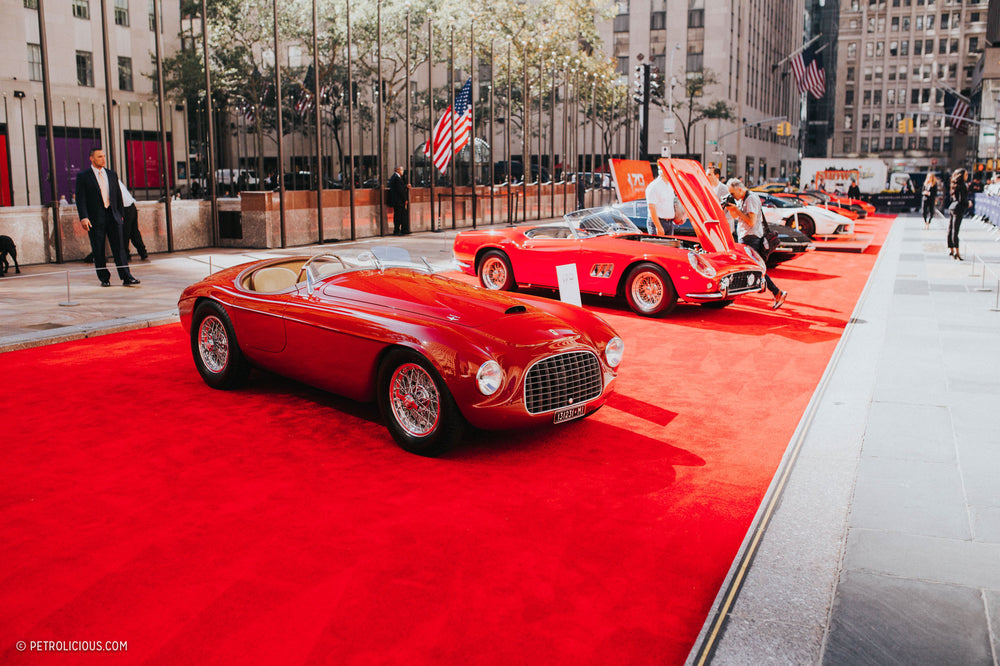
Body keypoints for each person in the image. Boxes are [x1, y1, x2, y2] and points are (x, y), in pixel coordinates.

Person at [75, 148, 140, 288]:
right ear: (91, 158)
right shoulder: (83, 176)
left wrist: (121, 215)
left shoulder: (111, 174)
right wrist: (84, 217)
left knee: (120, 248)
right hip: (94, 218)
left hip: (113, 216)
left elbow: (117, 196)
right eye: (99, 157)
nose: (103, 159)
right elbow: (81, 199)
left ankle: (126, 277)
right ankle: (104, 278)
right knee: (98, 249)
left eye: (104, 156)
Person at [724, 178, 786, 310]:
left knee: (755, 268)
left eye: (733, 193)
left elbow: (751, 221)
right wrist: (731, 207)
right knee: (752, 268)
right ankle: (775, 292)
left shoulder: (751, 199)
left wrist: (737, 209)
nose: (733, 196)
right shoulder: (743, 198)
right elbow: (736, 217)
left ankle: (777, 292)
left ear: (740, 189)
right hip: (746, 237)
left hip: (751, 238)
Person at [644, 164, 686, 235]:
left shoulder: (669, 185)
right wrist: (658, 226)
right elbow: (652, 208)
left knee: (669, 246)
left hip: (669, 224)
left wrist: (679, 217)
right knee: (658, 246)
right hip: (658, 223)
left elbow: (671, 204)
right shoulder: (654, 187)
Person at [118, 178, 148, 260]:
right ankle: (143, 252)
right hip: (131, 206)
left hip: (125, 207)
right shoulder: (114, 178)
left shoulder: (108, 180)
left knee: (125, 232)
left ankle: (126, 255)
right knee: (134, 231)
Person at [947, 168, 968, 260]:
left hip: (952, 207)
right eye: (966, 174)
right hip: (958, 208)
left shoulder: (954, 184)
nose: (967, 176)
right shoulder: (962, 185)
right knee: (955, 230)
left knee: (950, 229)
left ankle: (952, 250)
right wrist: (968, 204)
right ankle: (957, 253)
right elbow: (961, 200)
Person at [387, 166, 409, 236]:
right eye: (401, 170)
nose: (402, 171)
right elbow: (400, 190)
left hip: (397, 200)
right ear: (398, 170)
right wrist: (405, 199)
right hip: (398, 201)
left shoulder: (396, 177)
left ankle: (403, 229)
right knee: (398, 216)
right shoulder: (396, 178)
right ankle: (397, 230)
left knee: (401, 215)